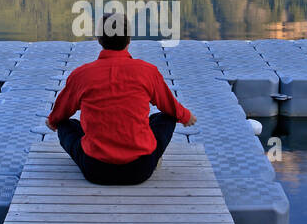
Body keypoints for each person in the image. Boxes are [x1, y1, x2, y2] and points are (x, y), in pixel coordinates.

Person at [47, 13, 196, 185]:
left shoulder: (81, 75)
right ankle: (153, 157)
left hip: (96, 170)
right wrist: (186, 116)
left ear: (99, 39)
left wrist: (53, 121)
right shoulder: (147, 71)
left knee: (66, 124)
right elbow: (171, 106)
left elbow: (60, 113)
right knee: (166, 117)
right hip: (140, 169)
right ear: (129, 40)